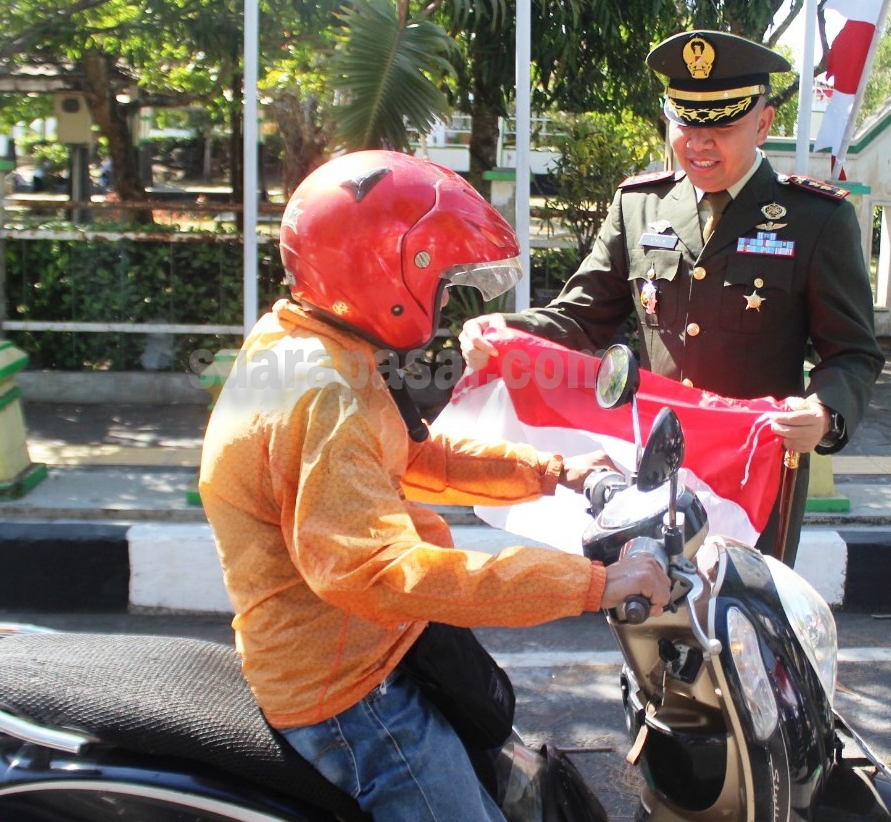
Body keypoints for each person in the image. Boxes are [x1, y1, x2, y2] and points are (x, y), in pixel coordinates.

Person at [198, 150, 671, 822]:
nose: (447, 297)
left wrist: (554, 470)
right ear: (389, 271)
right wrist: (595, 584)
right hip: (354, 698)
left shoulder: (306, 340)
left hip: (372, 651)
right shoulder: (324, 391)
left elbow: (419, 455)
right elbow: (393, 574)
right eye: (442, 279)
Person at [460, 30, 885, 567]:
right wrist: (504, 330)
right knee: (648, 619)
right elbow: (582, 316)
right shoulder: (639, 206)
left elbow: (852, 353)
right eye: (685, 123)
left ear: (764, 122)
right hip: (652, 465)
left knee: (742, 632)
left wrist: (825, 411)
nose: (698, 144)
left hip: (750, 475)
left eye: (722, 126)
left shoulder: (816, 220)